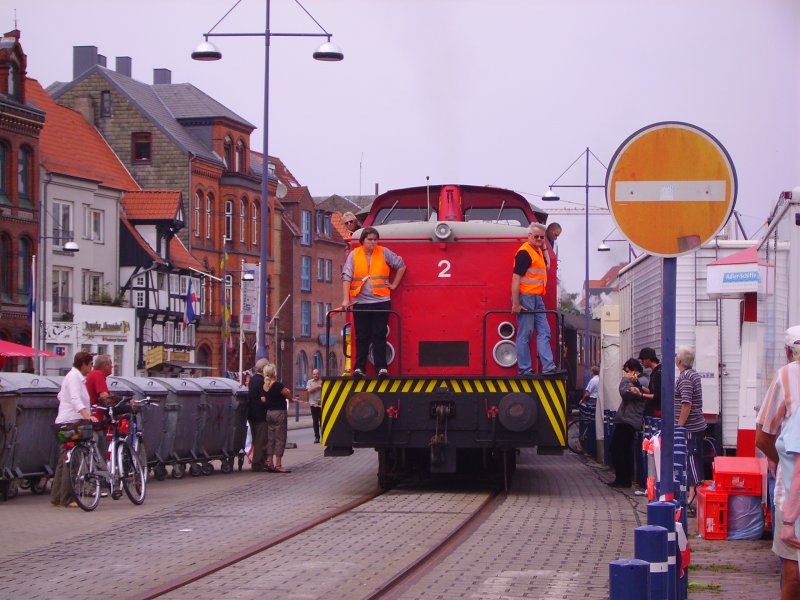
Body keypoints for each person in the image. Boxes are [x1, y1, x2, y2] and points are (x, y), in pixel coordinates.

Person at [756, 325, 800, 599]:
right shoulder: (787, 375)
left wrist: (780, 459)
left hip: (792, 493)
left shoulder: (787, 374)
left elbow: (762, 438)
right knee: (793, 573)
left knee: (793, 574)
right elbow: (764, 437)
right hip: (792, 492)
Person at [341, 226, 406, 379]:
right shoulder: (354, 255)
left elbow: (401, 265)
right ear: (362, 240)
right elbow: (346, 277)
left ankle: (382, 368)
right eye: (370, 239)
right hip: (360, 302)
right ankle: (359, 368)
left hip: (381, 301)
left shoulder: (384, 252)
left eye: (375, 239)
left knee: (380, 334)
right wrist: (345, 299)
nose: (373, 242)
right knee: (362, 336)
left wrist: (394, 284)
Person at [50, 351, 98, 507]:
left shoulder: (74, 378)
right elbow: (75, 399)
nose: (92, 367)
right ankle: (67, 498)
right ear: (83, 364)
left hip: (67, 421)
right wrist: (86, 415)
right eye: (91, 364)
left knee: (63, 461)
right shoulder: (74, 377)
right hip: (71, 424)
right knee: (72, 461)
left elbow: (61, 396)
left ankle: (56, 497)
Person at [511, 222, 556, 376]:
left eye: (541, 237)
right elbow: (516, 278)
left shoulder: (536, 251)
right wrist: (516, 303)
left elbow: (548, 266)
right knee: (525, 333)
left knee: (545, 331)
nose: (538, 239)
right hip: (526, 298)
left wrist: (543, 246)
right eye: (535, 236)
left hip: (537, 298)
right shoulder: (524, 253)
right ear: (529, 236)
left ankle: (548, 367)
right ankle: (525, 369)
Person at [675, 345, 706, 502]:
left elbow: (686, 403)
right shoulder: (693, 374)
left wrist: (679, 427)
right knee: (695, 458)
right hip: (696, 425)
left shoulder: (685, 377)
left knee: (691, 459)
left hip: (690, 427)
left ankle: (693, 496)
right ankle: (695, 493)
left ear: (679, 360)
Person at [609, 358, 645, 488]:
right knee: (624, 449)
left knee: (618, 448)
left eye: (628, 371)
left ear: (634, 370)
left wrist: (628, 382)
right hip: (626, 419)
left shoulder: (643, 381)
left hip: (629, 419)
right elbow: (626, 391)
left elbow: (624, 392)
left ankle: (623, 479)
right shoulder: (633, 381)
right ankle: (623, 478)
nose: (626, 374)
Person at [262, 362, 292, 473]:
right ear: (274, 373)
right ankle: (278, 465)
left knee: (271, 438)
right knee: (280, 438)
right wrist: (290, 397)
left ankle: (269, 462)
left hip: (269, 413)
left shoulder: (265, 385)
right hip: (279, 413)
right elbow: (287, 394)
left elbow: (264, 399)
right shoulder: (277, 385)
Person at [247, 358, 269, 472]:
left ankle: (259, 461)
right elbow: (263, 398)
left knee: (256, 439)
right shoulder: (262, 381)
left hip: (251, 413)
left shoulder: (252, 379)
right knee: (261, 440)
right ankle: (257, 464)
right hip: (260, 413)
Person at [638, 347, 662, 418]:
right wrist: (638, 384)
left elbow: (657, 396)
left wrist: (641, 395)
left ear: (648, 359)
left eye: (642, 360)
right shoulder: (655, 372)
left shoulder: (658, 373)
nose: (641, 363)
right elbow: (651, 391)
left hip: (656, 412)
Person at [307, 368, 322, 443]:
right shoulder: (310, 382)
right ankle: (317, 437)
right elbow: (309, 390)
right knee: (315, 421)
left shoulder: (322, 381)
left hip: (322, 404)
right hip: (313, 404)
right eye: (314, 374)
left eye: (317, 374)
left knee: (322, 421)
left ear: (319, 374)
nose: (316, 375)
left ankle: (324, 436)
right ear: (312, 375)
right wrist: (318, 386)